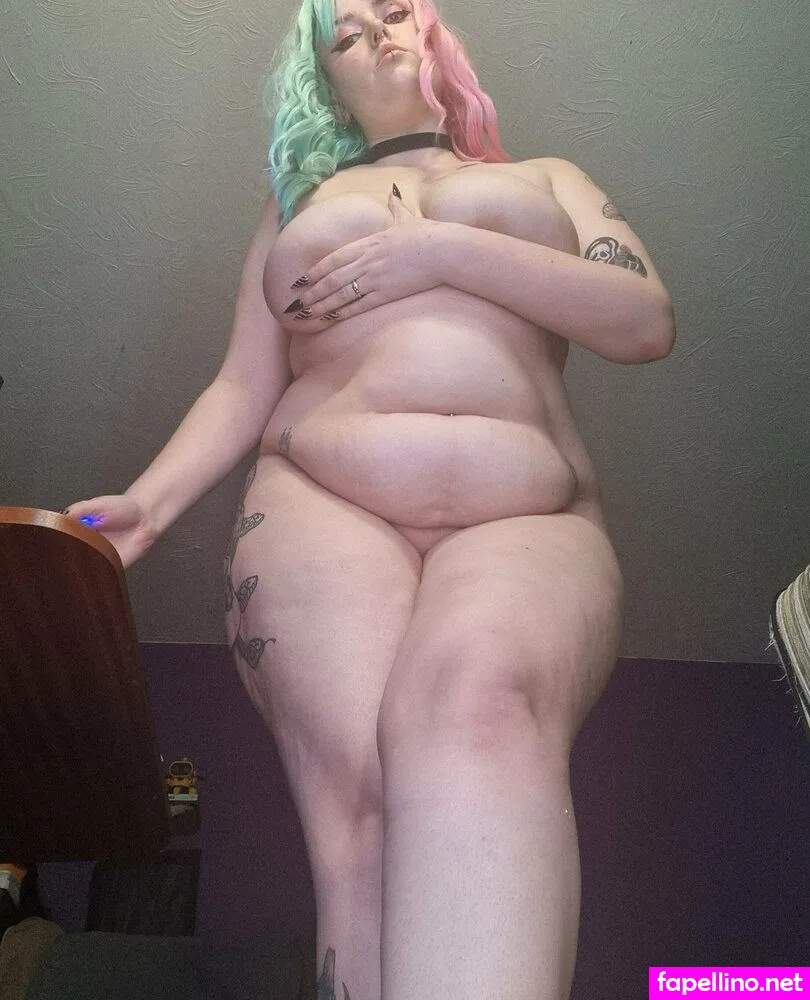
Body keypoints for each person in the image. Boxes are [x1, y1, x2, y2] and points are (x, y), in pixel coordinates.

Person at [63, 0, 676, 998]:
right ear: (325, 82)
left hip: (527, 515)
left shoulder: (549, 177)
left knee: (479, 699)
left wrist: (437, 251)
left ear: (436, 34)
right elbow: (242, 384)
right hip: (323, 501)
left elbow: (644, 321)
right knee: (363, 801)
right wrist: (150, 504)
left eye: (394, 9)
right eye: (344, 32)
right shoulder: (297, 203)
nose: (378, 32)